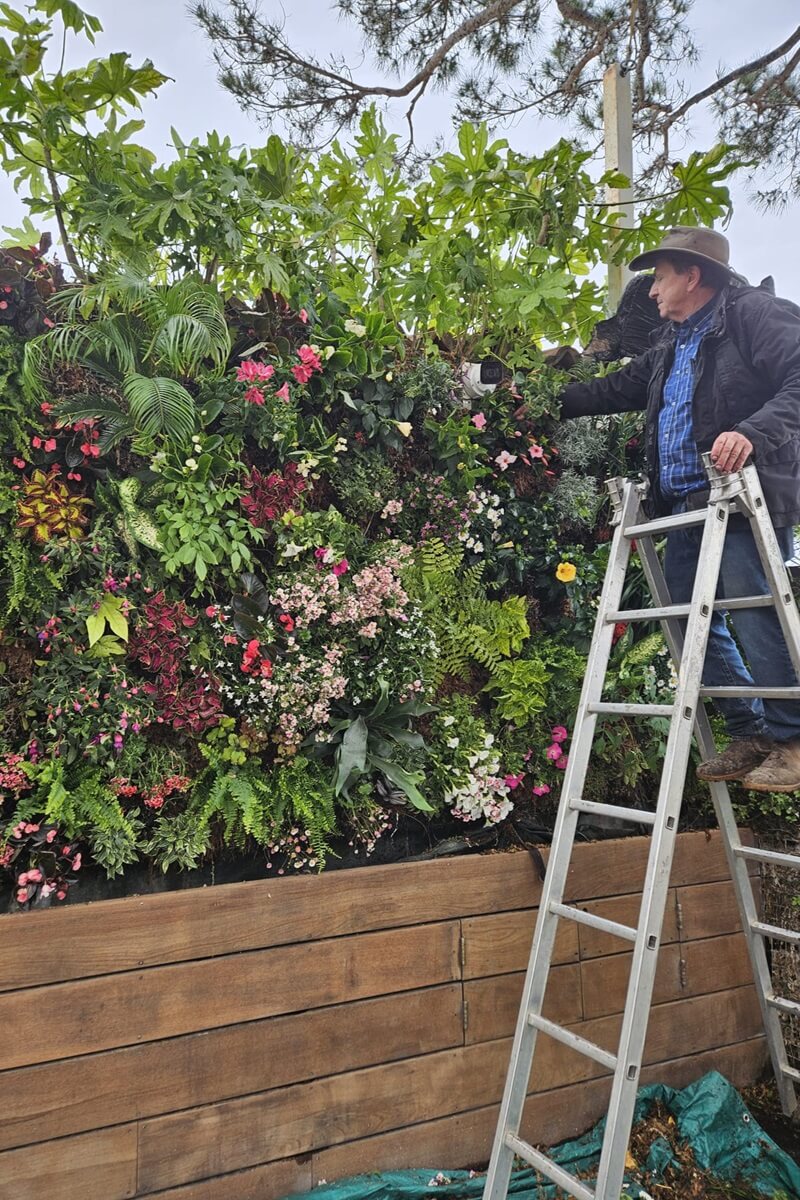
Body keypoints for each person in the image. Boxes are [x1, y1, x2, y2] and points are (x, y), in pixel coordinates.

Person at [559, 225, 800, 792]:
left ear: (693, 276)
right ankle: (752, 730)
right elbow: (614, 389)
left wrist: (752, 432)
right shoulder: (672, 342)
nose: (650, 292)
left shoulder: (752, 314)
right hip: (692, 505)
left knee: (753, 610)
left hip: (742, 499)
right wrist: (536, 399)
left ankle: (793, 742)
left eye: (660, 277)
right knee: (683, 617)